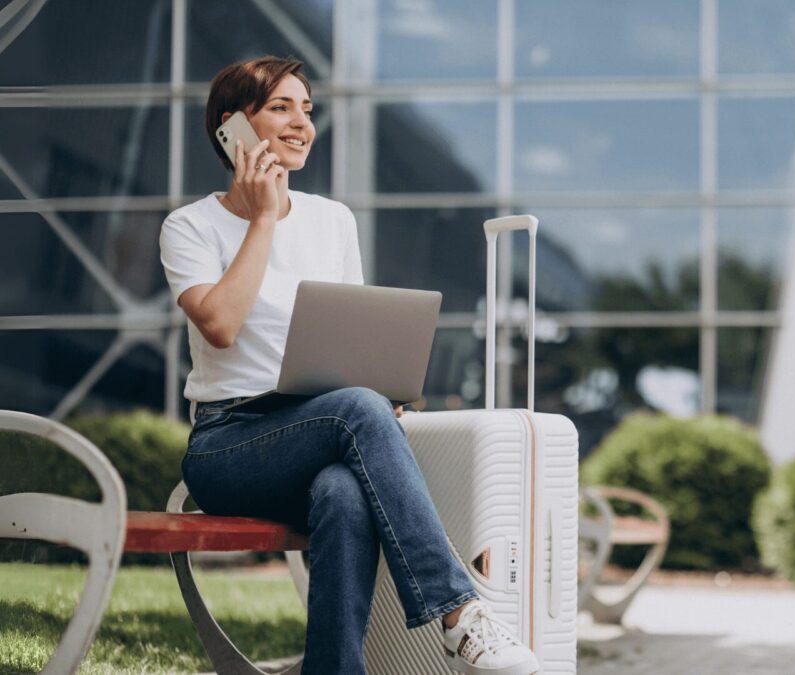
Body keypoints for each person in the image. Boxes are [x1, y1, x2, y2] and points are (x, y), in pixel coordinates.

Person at [159, 56, 538, 675]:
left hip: (325, 425)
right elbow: (221, 326)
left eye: (306, 110)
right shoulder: (190, 226)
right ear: (233, 128)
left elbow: (352, 347)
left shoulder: (332, 220)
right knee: (357, 410)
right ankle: (458, 614)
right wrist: (261, 218)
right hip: (229, 444)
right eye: (280, 107)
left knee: (343, 493)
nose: (301, 123)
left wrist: (381, 387)